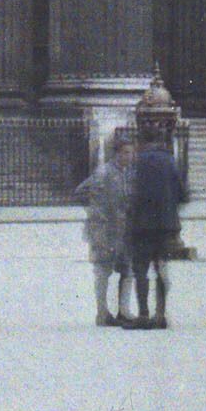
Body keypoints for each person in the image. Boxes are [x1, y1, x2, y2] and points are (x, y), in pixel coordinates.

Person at [124, 123, 185, 330]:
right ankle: (160, 314)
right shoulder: (170, 161)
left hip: (141, 224)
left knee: (140, 269)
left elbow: (130, 191)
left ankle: (143, 314)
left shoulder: (137, 162)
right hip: (165, 225)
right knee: (161, 267)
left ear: (141, 140)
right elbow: (182, 193)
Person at [73, 131, 134, 327]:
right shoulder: (104, 172)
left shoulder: (130, 174)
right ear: (116, 154)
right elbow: (81, 191)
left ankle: (124, 311)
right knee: (103, 270)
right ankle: (102, 312)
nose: (129, 156)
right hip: (105, 230)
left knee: (128, 269)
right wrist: (97, 212)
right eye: (125, 153)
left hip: (124, 230)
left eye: (130, 153)